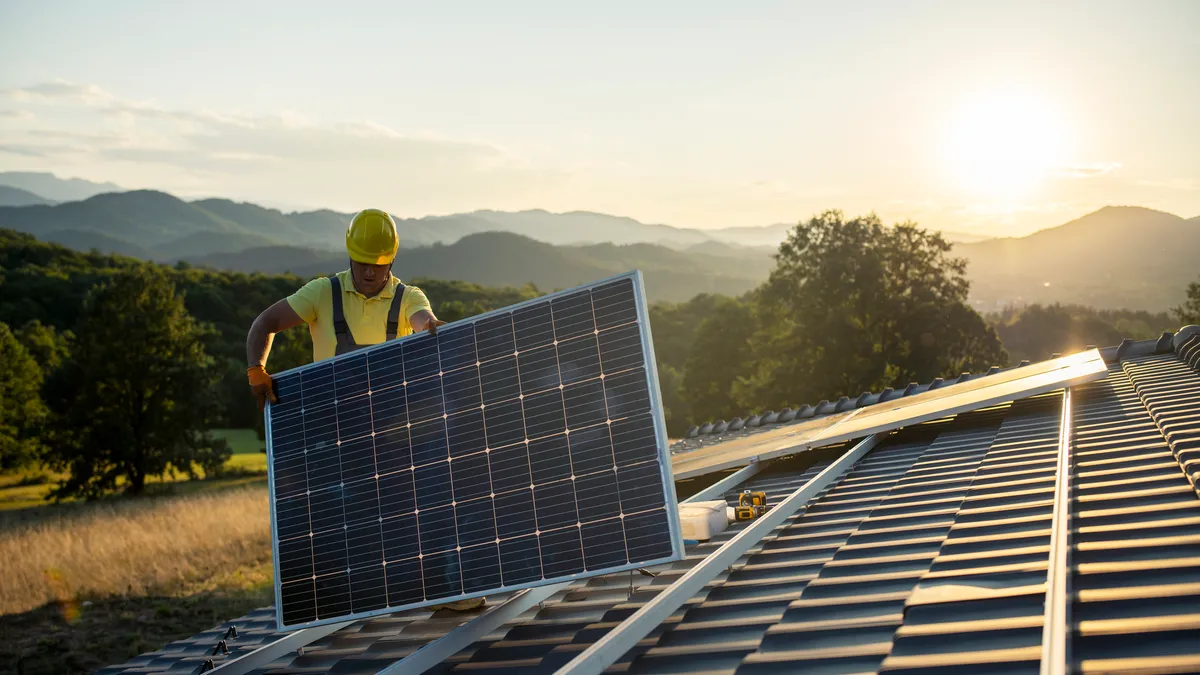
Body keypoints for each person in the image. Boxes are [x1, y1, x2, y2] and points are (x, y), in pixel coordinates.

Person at [245, 208, 484, 612]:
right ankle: (332, 600)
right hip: (337, 433)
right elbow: (265, 323)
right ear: (349, 255)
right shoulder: (323, 293)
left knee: (418, 507)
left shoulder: (409, 297)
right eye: (362, 264)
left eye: (378, 265)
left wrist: (431, 326)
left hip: (394, 431)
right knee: (341, 521)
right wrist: (256, 369)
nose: (370, 273)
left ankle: (440, 592)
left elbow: (424, 318)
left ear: (391, 260)